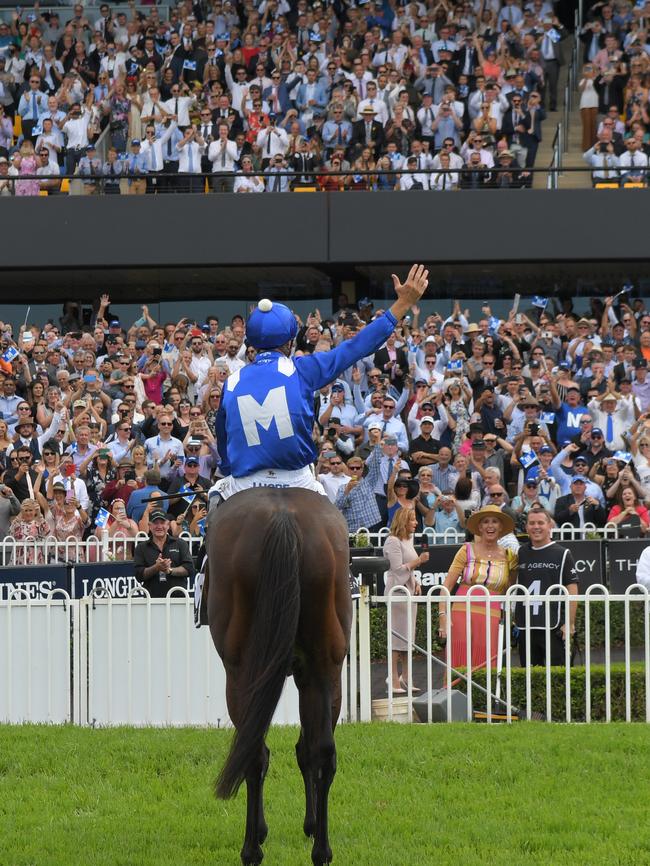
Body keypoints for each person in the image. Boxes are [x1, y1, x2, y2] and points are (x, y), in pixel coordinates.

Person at [209, 264, 429, 505]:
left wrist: (227, 469)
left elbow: (224, 438)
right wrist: (402, 304)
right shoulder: (302, 369)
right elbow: (355, 347)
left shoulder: (232, 382)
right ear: (291, 341)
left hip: (246, 482)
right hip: (298, 480)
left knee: (215, 505)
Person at [438, 505, 518, 670]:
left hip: (492, 616)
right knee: (458, 662)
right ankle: (455, 696)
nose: (490, 526)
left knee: (487, 664)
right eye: (486, 522)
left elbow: (511, 589)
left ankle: (484, 697)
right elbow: (447, 586)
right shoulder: (466, 550)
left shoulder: (510, 556)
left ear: (501, 527)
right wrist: (443, 617)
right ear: (479, 527)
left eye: (495, 521)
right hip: (461, 614)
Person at [514, 507, 578, 667]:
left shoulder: (562, 553)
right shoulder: (521, 552)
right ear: (526, 527)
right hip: (526, 625)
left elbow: (572, 588)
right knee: (528, 677)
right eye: (532, 523)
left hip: (553, 626)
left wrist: (569, 623)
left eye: (541, 523)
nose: (536, 527)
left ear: (550, 526)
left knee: (558, 678)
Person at [383, 507, 427, 694]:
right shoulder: (392, 541)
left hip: (409, 594)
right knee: (397, 640)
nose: (416, 523)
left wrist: (415, 582)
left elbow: (407, 571)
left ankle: (406, 678)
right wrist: (418, 562)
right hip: (397, 594)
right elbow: (398, 569)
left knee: (408, 639)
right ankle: (392, 679)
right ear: (403, 521)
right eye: (412, 520)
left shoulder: (408, 540)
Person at [133, 509, 195, 598]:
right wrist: (156, 568)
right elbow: (138, 575)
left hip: (178, 600)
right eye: (155, 523)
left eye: (162, 523)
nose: (159, 526)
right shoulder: (141, 547)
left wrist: (169, 570)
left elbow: (189, 569)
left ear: (168, 525)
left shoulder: (180, 543)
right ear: (149, 526)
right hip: (151, 601)